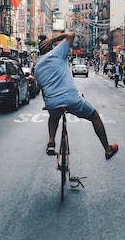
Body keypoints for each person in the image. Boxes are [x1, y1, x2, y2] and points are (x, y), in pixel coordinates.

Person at [34, 32, 118, 160]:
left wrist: (49, 103)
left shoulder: (37, 68)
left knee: (53, 116)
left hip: (52, 102)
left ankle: (51, 142)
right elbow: (71, 35)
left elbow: (43, 91)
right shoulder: (56, 53)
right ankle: (107, 149)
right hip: (72, 99)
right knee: (95, 117)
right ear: (51, 46)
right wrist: (53, 39)